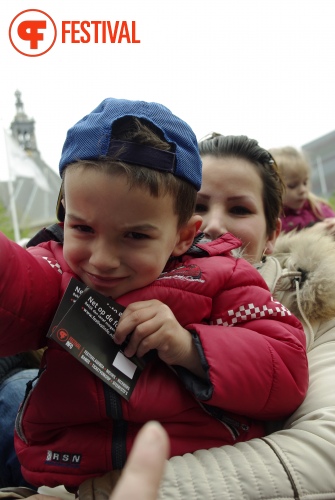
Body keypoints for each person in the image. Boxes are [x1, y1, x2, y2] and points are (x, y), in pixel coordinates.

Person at [0, 101, 307, 491]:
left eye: (135, 235)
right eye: (83, 228)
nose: (102, 259)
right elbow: (19, 289)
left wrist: (189, 346)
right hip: (63, 481)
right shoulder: (59, 268)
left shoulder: (225, 276)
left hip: (193, 476)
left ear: (183, 235)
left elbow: (287, 368)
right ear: (64, 218)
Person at [151, 133, 335, 499]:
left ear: (272, 234)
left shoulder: (315, 313)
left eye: (240, 210)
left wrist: (118, 491)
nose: (213, 224)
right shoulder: (120, 290)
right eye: (197, 206)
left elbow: (325, 447)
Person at [269, 145, 335, 233]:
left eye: (305, 182)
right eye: (292, 185)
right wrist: (311, 233)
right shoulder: (274, 223)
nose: (303, 190)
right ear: (273, 188)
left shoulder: (317, 208)